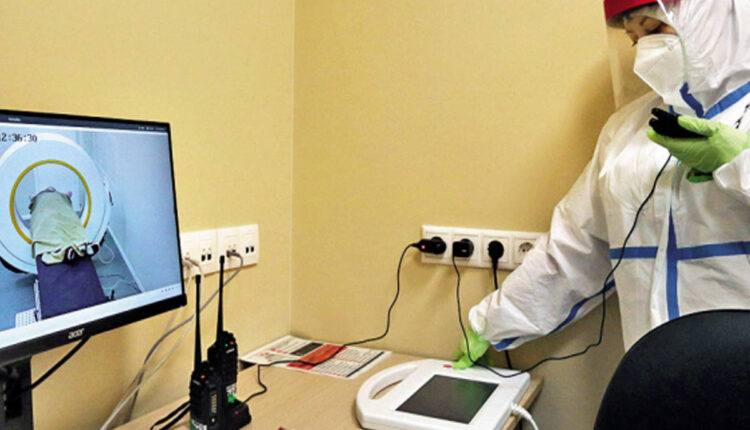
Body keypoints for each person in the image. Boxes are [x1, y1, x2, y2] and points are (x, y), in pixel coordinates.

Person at [454, 0, 750, 370]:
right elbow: (577, 246)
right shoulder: (628, 130)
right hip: (655, 375)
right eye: (635, 39)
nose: (645, 51)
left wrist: (739, 161)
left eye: (654, 29)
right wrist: (489, 323)